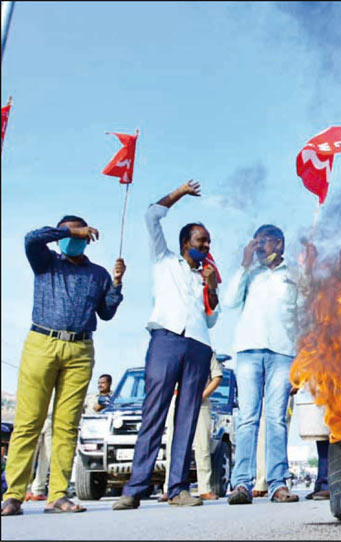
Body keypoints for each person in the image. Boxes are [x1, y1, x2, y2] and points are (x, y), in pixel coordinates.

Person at [1, 216, 125, 516]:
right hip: (42, 342)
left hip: (80, 349)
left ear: (88, 239)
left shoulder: (98, 274)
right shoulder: (46, 261)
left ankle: (57, 495)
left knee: (67, 426)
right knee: (29, 423)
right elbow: (32, 237)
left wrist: (117, 284)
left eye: (80, 233)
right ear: (60, 237)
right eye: (70, 233)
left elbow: (106, 313)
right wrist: (67, 230)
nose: (75, 238)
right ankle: (14, 495)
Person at [114, 180, 218, 510]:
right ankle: (135, 487)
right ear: (185, 242)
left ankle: (178, 488)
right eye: (201, 240)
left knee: (187, 417)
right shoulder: (164, 260)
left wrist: (213, 289)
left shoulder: (207, 276)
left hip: (199, 344)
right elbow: (150, 216)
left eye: (209, 242)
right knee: (154, 412)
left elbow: (212, 317)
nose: (206, 246)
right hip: (166, 340)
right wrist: (181, 193)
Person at [224, 224, 300, 504]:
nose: (259, 247)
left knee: (277, 419)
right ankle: (241, 484)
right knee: (247, 419)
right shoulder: (250, 273)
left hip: (283, 352)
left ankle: (278, 483)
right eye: (255, 242)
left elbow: (304, 316)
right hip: (248, 351)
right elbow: (230, 301)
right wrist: (244, 265)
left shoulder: (294, 274)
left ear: (279, 244)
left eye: (264, 242)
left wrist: (301, 360)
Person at [160, 352, 223, 501]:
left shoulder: (207, 352)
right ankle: (170, 488)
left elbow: (217, 377)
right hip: (177, 401)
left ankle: (204, 488)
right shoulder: (175, 350)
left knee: (203, 447)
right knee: (173, 447)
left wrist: (202, 396)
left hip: (200, 402)